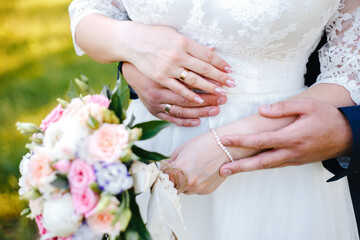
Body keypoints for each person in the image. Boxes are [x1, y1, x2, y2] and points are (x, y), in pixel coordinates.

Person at [68, 0, 360, 239]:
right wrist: (135, 45)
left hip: (274, 158)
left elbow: (347, 78)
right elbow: (87, 14)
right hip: (148, 147)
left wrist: (231, 145)